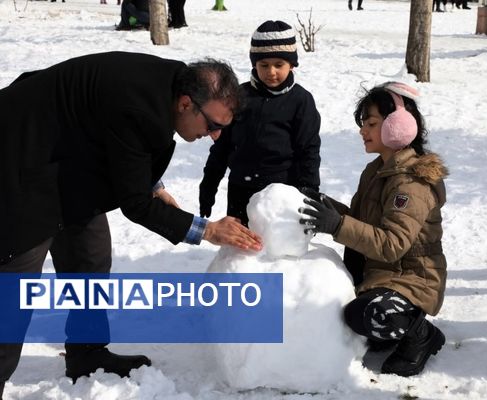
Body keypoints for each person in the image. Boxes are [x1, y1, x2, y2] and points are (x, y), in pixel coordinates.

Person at [0, 51, 262, 398]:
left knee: (89, 258)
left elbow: (118, 137)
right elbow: (135, 204)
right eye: (213, 125)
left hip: (70, 161)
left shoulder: (171, 84)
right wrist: (208, 230)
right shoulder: (142, 108)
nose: (214, 136)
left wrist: (153, 184)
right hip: (18, 162)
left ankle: (86, 353)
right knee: (14, 288)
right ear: (186, 104)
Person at [298, 82, 448, 377]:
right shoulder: (377, 170)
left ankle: (420, 333)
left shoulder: (411, 182)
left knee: (365, 316)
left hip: (412, 279)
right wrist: (327, 208)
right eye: (362, 123)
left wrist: (339, 225)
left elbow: (392, 244)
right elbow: (364, 221)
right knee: (335, 309)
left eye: (371, 123)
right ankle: (386, 327)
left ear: (399, 126)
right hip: (379, 274)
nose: (362, 130)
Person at [199, 20, 321, 226]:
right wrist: (209, 185)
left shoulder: (301, 101)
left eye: (279, 65)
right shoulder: (239, 96)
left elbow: (308, 151)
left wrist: (309, 195)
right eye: (264, 65)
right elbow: (222, 146)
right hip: (240, 189)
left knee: (276, 247)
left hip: (280, 191)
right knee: (243, 248)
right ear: (254, 63)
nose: (271, 72)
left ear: (291, 64)